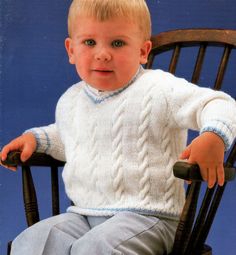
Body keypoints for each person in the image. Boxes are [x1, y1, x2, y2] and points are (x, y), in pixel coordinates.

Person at [1, 0, 236, 254]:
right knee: (33, 241)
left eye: (117, 43)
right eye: (89, 42)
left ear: (143, 51)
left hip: (151, 218)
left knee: (95, 249)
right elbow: (68, 137)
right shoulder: (71, 99)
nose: (102, 54)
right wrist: (37, 139)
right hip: (84, 215)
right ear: (71, 50)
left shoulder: (159, 89)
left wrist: (214, 136)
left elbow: (220, 103)